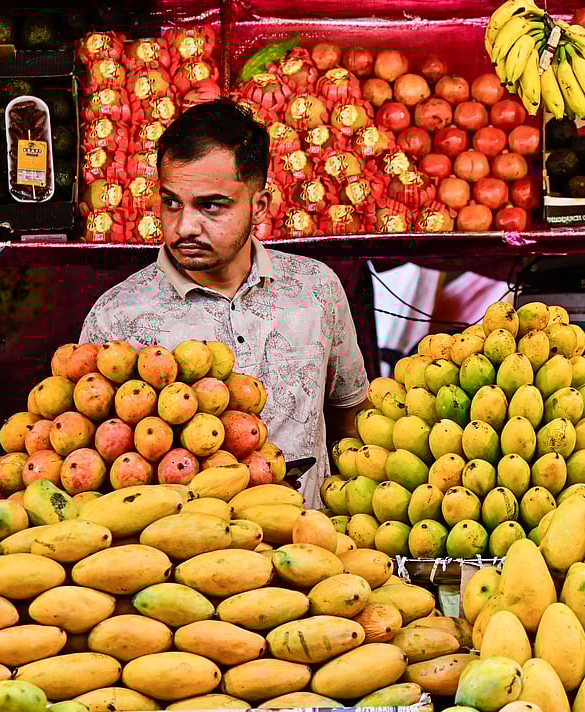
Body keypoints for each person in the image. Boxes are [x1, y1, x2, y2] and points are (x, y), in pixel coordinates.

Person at [80, 100, 370, 506]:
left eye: (210, 205)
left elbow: (350, 416)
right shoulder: (118, 316)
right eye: (171, 203)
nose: (184, 227)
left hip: (307, 549)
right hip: (180, 555)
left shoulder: (316, 290)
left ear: (259, 207)